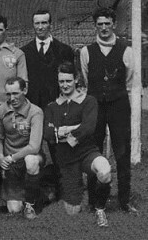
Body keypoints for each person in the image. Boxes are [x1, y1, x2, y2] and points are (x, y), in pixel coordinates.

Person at [80, 7, 137, 213]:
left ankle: (124, 200)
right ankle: (95, 200)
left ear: (114, 24)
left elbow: (129, 82)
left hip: (119, 105)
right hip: (95, 106)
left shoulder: (126, 50)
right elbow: (87, 82)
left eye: (107, 23)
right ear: (95, 25)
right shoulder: (86, 52)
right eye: (100, 24)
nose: (104, 28)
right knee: (93, 150)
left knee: (122, 152)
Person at [44, 62, 112, 227]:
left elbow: (88, 128)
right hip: (66, 160)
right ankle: (69, 189)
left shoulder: (88, 101)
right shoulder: (52, 106)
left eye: (68, 81)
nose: (65, 85)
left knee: (105, 171)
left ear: (76, 80)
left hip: (87, 153)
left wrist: (63, 134)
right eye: (61, 81)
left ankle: (100, 209)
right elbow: (47, 134)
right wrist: (74, 128)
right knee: (72, 211)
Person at [21, 10, 74, 202]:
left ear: (50, 24)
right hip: (33, 110)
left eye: (44, 23)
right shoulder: (24, 52)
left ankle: (63, 189)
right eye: (37, 23)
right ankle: (33, 190)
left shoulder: (64, 50)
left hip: (55, 109)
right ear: (33, 25)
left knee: (58, 149)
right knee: (32, 149)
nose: (41, 27)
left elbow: (69, 82)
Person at [0, 77, 44, 219]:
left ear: (25, 90)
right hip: (11, 164)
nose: (12, 98)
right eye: (8, 94)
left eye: (16, 93)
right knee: (14, 210)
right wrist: (0, 157)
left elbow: (34, 146)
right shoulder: (2, 110)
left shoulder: (35, 112)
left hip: (28, 158)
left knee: (31, 160)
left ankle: (30, 204)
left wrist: (12, 157)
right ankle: (31, 195)